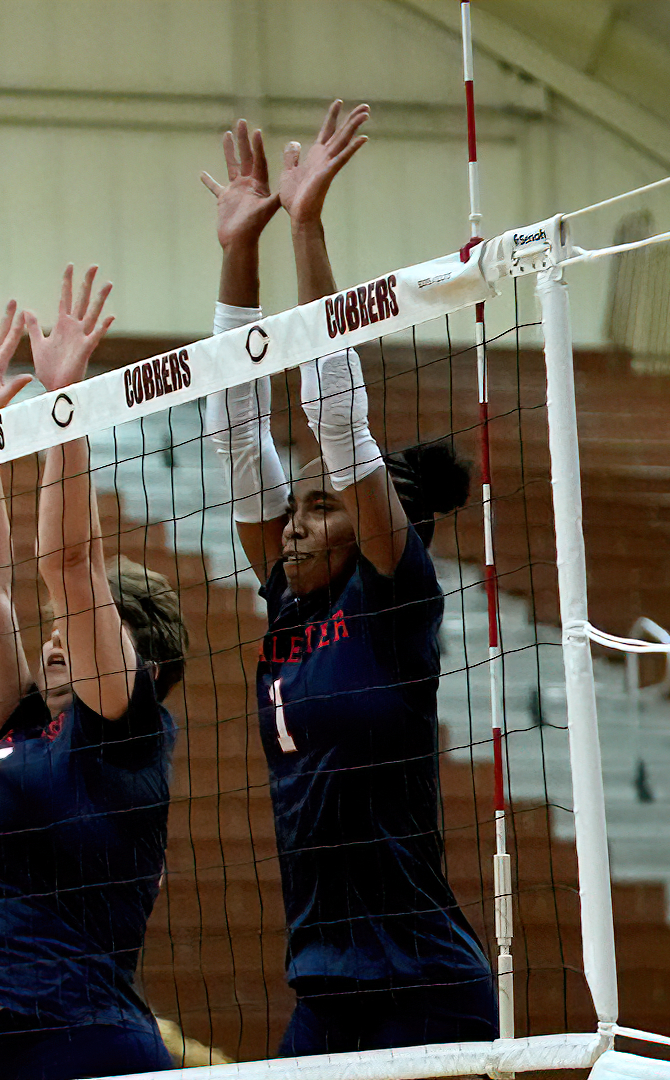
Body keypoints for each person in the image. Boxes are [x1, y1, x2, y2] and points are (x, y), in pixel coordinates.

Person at [200, 102, 493, 1055]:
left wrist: (309, 228)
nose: (296, 520)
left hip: (426, 981)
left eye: (322, 506)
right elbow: (238, 439)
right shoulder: (286, 597)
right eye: (302, 505)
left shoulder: (393, 598)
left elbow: (339, 422)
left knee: (333, 433)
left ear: (369, 523)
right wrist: (240, 259)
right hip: (323, 978)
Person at [0, 268, 190, 1079]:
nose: (51, 644)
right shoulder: (14, 731)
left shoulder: (121, 733)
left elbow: (71, 564)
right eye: (49, 636)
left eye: (69, 635)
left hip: (83, 1040)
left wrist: (60, 407)